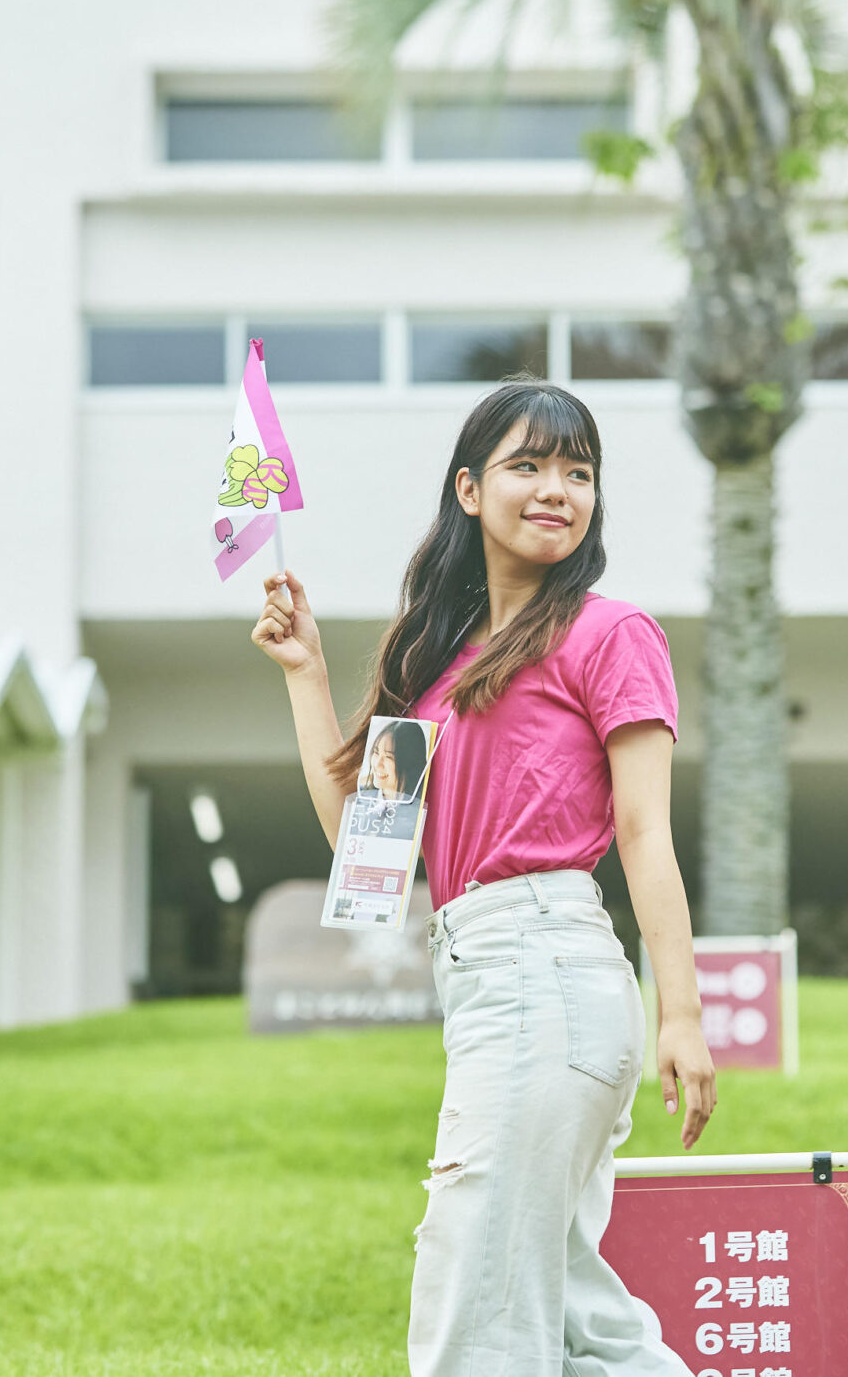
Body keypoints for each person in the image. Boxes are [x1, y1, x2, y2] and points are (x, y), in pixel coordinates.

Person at [252, 379, 716, 1377]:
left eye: (578, 471)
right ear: (468, 488)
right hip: (487, 980)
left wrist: (681, 1012)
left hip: (546, 966)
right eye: (528, 464)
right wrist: (306, 676)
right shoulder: (432, 665)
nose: (557, 488)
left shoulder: (607, 632)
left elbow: (643, 831)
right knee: (567, 1310)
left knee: (474, 1296)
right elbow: (368, 855)